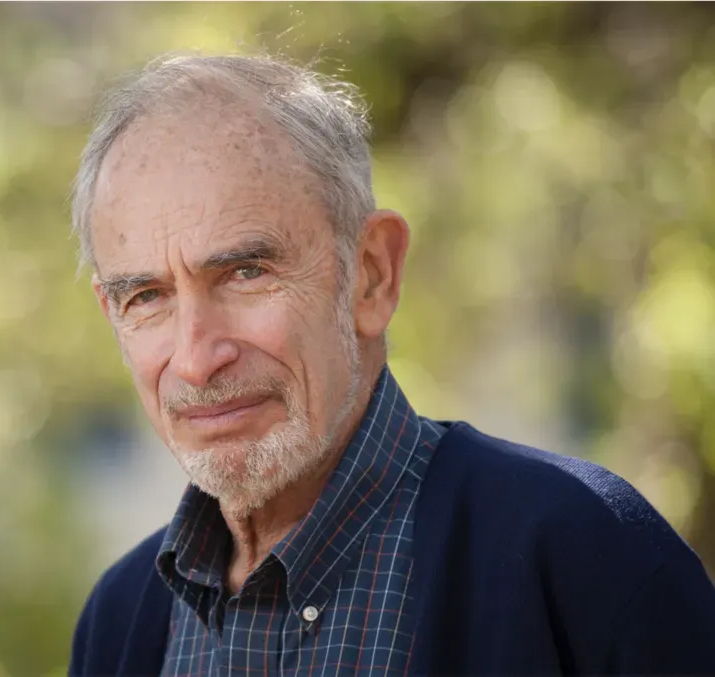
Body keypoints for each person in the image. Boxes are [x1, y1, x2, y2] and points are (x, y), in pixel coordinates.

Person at [67, 54, 715, 677]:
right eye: (146, 297)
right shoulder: (119, 620)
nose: (196, 357)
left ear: (371, 274)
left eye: (244, 272)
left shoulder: (584, 552)